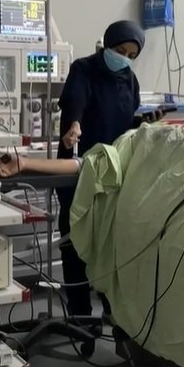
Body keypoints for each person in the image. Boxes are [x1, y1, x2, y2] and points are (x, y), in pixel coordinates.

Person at [55, 20, 161, 318]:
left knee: (108, 243)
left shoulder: (129, 80)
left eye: (131, 55)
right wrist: (74, 125)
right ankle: (80, 314)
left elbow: (126, 121)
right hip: (80, 167)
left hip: (112, 172)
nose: (124, 58)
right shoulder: (83, 69)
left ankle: (113, 312)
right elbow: (75, 104)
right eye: (120, 51)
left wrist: (146, 122)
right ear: (108, 44)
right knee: (75, 241)